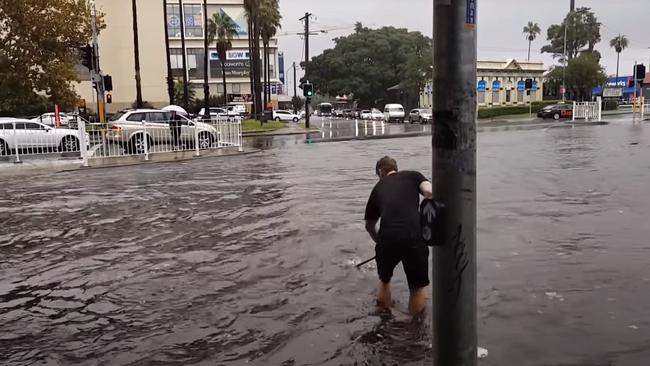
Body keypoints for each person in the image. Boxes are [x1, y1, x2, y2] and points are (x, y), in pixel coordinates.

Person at [364, 156, 433, 316]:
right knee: (417, 288)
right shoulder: (413, 176)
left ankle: (385, 320)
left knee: (385, 281)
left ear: (380, 172)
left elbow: (369, 226)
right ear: (395, 168)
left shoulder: (378, 187)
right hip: (414, 236)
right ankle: (416, 330)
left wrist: (379, 242)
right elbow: (428, 190)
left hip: (387, 238)